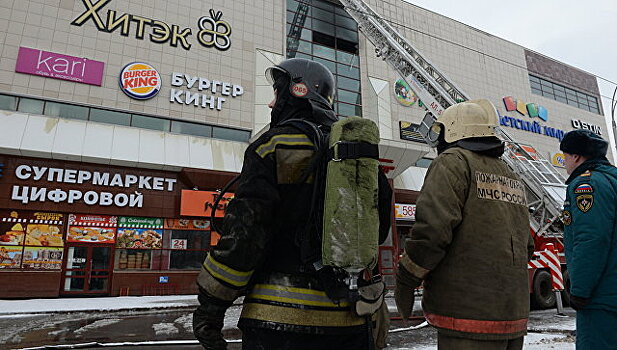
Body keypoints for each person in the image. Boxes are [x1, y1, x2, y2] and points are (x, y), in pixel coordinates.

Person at [193, 58, 392, 350]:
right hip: (350, 323)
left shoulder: (272, 146)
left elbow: (246, 234)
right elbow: (377, 230)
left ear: (297, 92)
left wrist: (211, 307)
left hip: (277, 321)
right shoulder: (360, 159)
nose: (273, 104)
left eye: (278, 93)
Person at [394, 99, 534, 350]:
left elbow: (433, 231)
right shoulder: (510, 175)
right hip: (512, 315)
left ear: (452, 130)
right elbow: (528, 245)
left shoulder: (453, 161)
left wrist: (406, 278)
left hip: (468, 318)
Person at [559, 129, 617, 350]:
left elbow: (592, 238)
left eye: (565, 156)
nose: (564, 162)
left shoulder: (587, 185)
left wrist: (580, 290)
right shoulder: (612, 179)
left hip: (602, 297)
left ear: (576, 156)